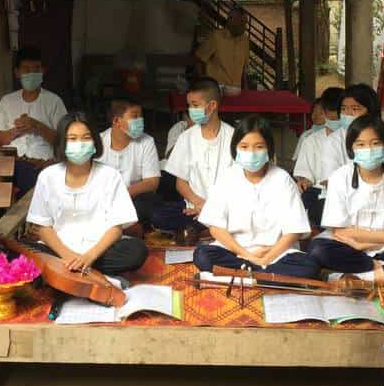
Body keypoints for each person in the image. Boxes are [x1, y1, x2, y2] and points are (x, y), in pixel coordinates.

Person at [194, 115, 318, 278]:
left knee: (309, 266)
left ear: (269, 149)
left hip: (277, 253)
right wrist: (248, 256)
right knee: (202, 255)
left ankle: (246, 273)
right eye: (244, 146)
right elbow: (216, 228)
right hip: (236, 252)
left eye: (259, 147)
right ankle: (264, 276)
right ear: (235, 148)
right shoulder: (227, 177)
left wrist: (267, 258)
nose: (251, 153)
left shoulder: (283, 179)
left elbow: (294, 231)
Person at [26, 112, 148, 275]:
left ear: (95, 141)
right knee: (23, 254)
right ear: (62, 143)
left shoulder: (110, 176)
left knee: (136, 251)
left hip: (99, 251)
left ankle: (69, 271)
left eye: (86, 138)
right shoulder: (47, 176)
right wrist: (68, 255)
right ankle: (82, 270)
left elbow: (116, 227)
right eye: (72, 139)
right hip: (59, 250)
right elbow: (43, 226)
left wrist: (89, 256)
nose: (80, 144)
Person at [307, 114, 384, 282]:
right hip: (348, 245)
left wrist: (365, 244)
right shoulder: (340, 176)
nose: (368, 149)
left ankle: (354, 278)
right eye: (360, 144)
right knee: (318, 250)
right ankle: (380, 270)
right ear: (351, 149)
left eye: (375, 143)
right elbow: (340, 231)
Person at [295, 83, 384, 189]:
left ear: (371, 111)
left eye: (355, 109)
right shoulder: (332, 142)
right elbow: (331, 182)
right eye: (344, 109)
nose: (348, 114)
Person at [0, 46, 68, 196]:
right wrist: (17, 130)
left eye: (36, 69)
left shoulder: (54, 101)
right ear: (17, 73)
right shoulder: (7, 101)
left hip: (42, 164)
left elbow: (62, 141)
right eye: (26, 69)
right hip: (12, 164)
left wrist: (36, 125)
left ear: (43, 71)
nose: (31, 74)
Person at [163, 77, 236, 231]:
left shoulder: (234, 137)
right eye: (189, 105)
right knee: (159, 216)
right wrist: (199, 203)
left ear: (212, 106)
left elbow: (240, 183)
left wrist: (212, 208)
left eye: (195, 105)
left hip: (226, 209)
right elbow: (180, 183)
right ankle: (208, 227)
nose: (190, 110)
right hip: (194, 207)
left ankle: (208, 226)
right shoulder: (186, 137)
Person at [100, 97, 161, 226]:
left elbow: (152, 182)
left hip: (134, 198)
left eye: (141, 116)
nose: (140, 120)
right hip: (103, 199)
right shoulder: (98, 142)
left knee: (150, 204)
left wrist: (123, 194)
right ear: (117, 121)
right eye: (135, 116)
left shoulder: (147, 141)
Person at [293, 87, 344, 229]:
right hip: (319, 192)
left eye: (338, 118)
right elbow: (304, 174)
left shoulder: (355, 140)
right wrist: (305, 180)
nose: (335, 122)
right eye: (331, 118)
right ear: (324, 114)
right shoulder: (310, 140)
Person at [195, 7, 250, 88]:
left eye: (245, 23)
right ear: (231, 20)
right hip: (217, 88)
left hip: (236, 89)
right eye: (241, 22)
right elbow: (198, 59)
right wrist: (204, 83)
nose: (244, 26)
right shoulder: (215, 36)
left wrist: (246, 88)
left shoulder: (245, 40)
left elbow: (244, 69)